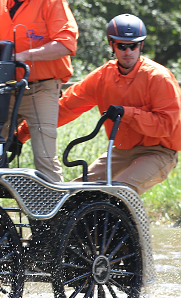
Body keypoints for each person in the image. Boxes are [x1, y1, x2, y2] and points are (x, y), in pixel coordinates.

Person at [17, 14, 181, 194]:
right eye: (122, 46)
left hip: (158, 152)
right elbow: (66, 107)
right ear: (112, 45)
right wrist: (21, 134)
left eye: (133, 45)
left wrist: (126, 113)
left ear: (141, 45)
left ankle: (132, 223)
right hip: (122, 152)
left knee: (117, 192)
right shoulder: (103, 76)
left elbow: (166, 126)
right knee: (78, 193)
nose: (128, 52)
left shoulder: (159, 78)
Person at [0, 0, 78, 181]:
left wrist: (21, 57)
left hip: (41, 87)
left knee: (44, 156)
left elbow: (66, 44)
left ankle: (55, 215)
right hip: (4, 87)